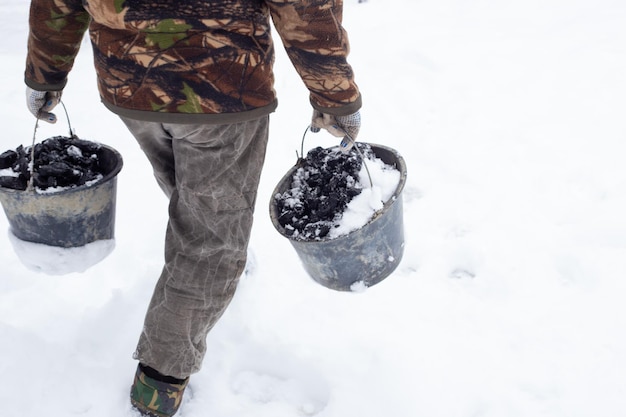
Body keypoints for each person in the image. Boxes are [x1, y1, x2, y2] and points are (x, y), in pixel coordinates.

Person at [24, 0, 361, 416]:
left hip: (131, 80)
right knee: (211, 241)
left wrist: (45, 73)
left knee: (198, 204)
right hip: (221, 87)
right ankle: (161, 374)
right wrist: (334, 93)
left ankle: (212, 264)